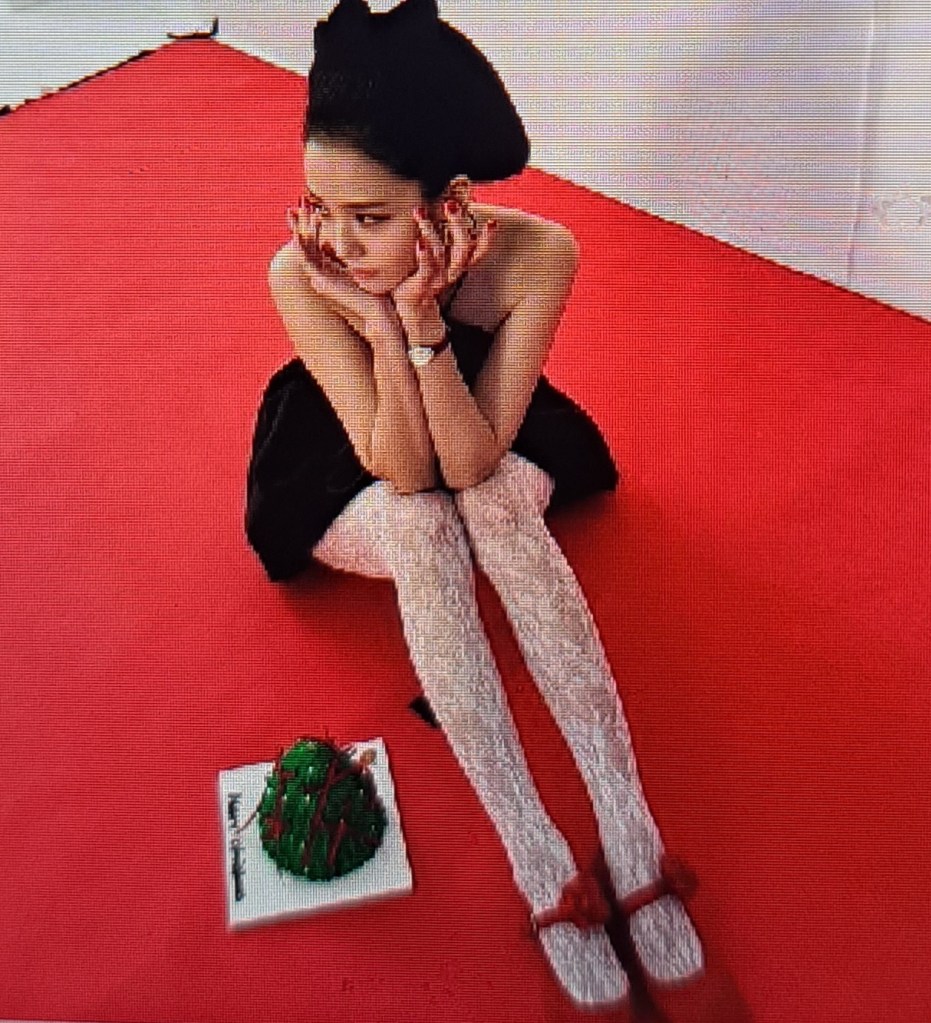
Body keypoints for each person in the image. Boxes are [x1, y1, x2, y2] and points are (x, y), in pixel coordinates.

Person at [245, 0, 703, 1007]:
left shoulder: (539, 256)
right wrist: (378, 325)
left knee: (488, 503)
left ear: (449, 202)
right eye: (320, 206)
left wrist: (421, 319)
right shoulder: (303, 273)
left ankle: (630, 833)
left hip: (485, 430)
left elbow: (471, 456)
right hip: (345, 460)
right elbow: (405, 471)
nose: (337, 241)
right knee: (423, 522)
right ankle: (537, 856)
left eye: (370, 218)